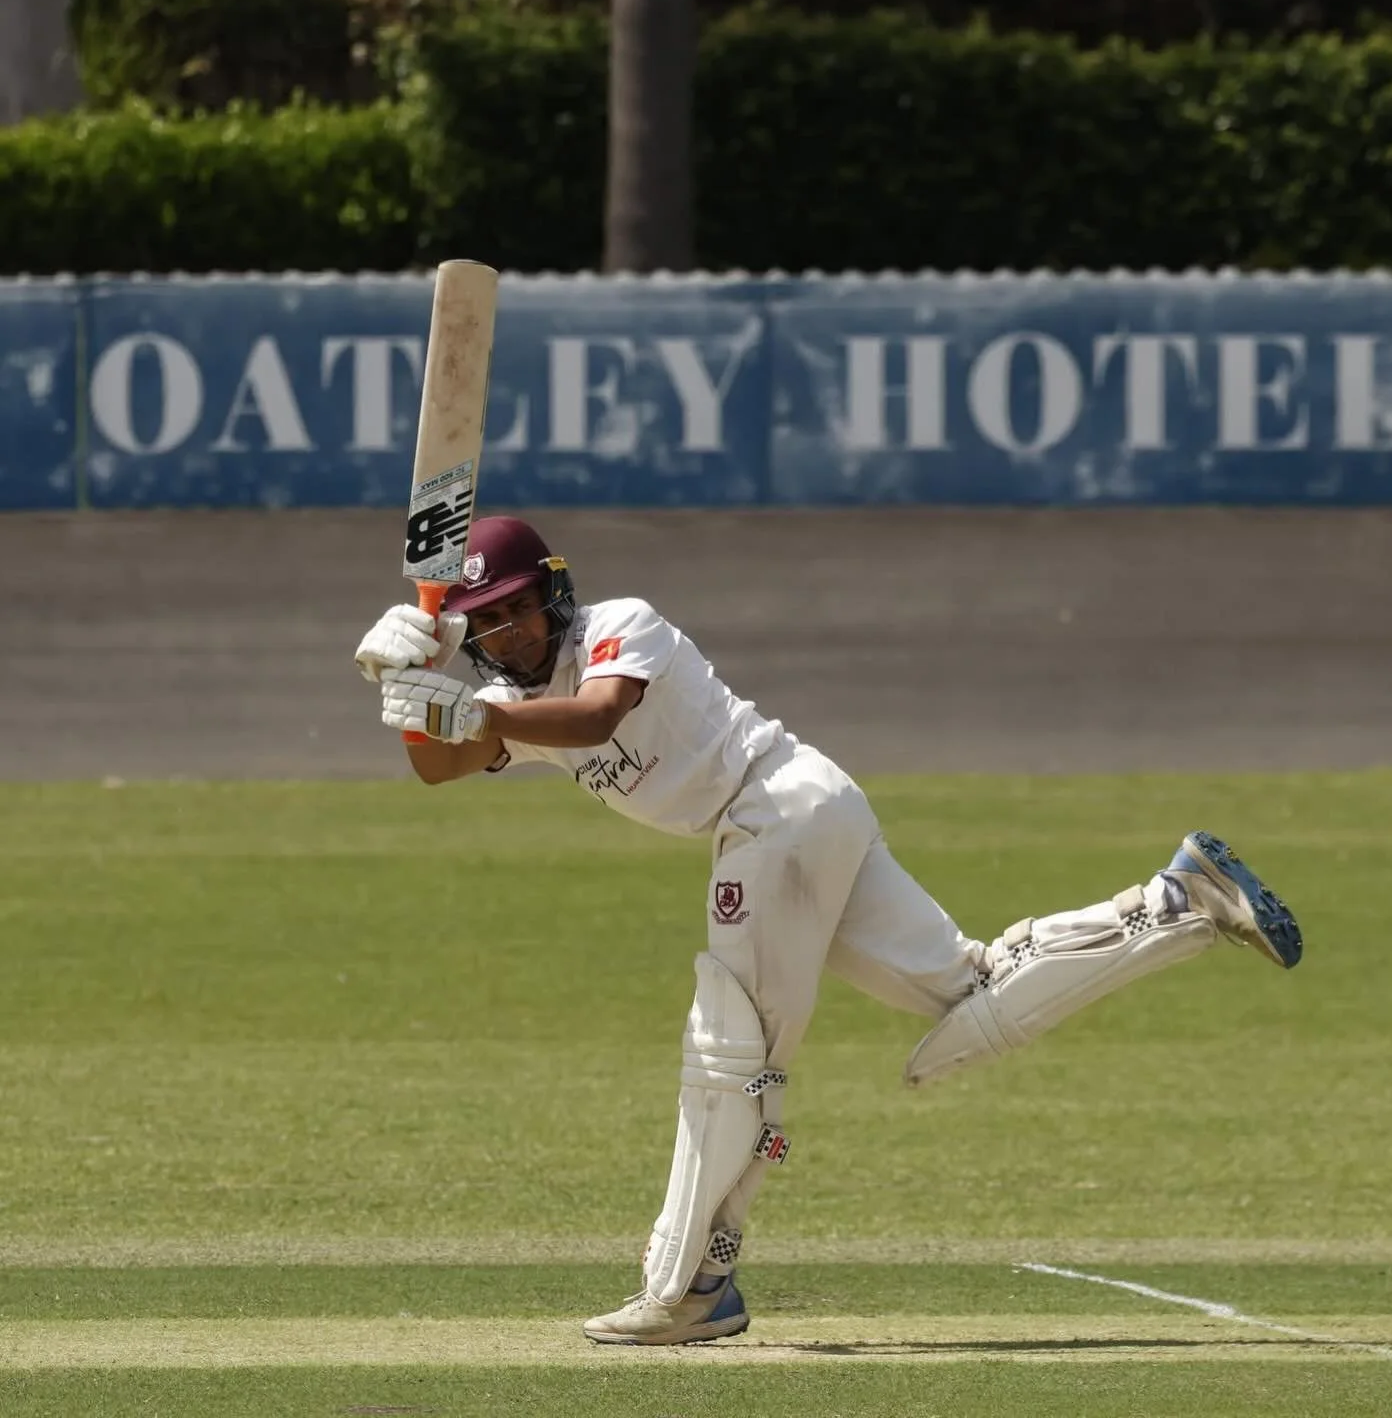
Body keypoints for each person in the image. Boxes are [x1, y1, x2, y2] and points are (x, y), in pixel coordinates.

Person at [353, 514, 1304, 1347]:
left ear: (555, 594)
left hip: (775, 813)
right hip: (802, 817)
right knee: (967, 995)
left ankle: (691, 1289)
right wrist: (408, 686)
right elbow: (442, 769)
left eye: (515, 608)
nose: (504, 633)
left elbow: (598, 720)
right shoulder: (515, 700)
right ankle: (1177, 902)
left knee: (732, 1048)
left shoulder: (619, 627)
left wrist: (461, 695)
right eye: (482, 625)